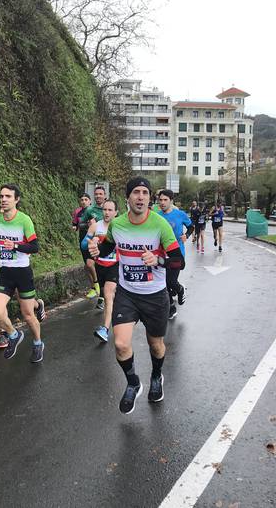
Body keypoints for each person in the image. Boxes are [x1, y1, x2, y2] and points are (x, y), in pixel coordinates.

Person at [88, 177, 184, 414]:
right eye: (136, 193)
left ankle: (156, 376)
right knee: (120, 343)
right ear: (128, 197)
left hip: (154, 295)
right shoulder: (118, 224)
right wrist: (96, 248)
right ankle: (133, 382)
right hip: (127, 293)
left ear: (149, 198)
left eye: (145, 193)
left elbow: (178, 261)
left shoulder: (160, 225)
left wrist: (158, 259)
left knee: (156, 344)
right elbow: (109, 246)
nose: (141, 197)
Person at [0, 184, 46, 362]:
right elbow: (3, 240)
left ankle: (37, 343)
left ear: (16, 200)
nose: (3, 199)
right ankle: (13, 335)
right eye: (1, 196)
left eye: (8, 196)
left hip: (22, 272)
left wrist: (17, 246)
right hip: (5, 271)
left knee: (27, 314)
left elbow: (35, 247)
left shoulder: (24, 220)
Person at [80, 199, 119, 342]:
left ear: (116, 212)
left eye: (110, 210)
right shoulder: (95, 226)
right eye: (105, 210)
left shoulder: (119, 227)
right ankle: (111, 317)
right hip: (100, 266)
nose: (107, 213)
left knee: (108, 296)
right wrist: (91, 241)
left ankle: (105, 329)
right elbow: (84, 245)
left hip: (114, 266)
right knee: (106, 296)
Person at [156, 189, 193, 319]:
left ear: (171, 201)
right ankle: (171, 307)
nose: (162, 202)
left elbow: (191, 226)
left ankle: (180, 289)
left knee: (171, 281)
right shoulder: (156, 215)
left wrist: (186, 235)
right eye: (160, 200)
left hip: (177, 254)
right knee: (164, 283)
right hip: (161, 254)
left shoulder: (180, 214)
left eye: (165, 200)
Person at [74, 193, 101, 299]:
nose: (84, 201)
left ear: (90, 201)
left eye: (86, 199)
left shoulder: (94, 212)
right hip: (83, 240)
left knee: (90, 264)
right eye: (82, 199)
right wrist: (80, 226)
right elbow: (76, 224)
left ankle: (98, 284)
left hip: (94, 241)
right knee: (87, 266)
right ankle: (93, 288)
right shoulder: (78, 212)